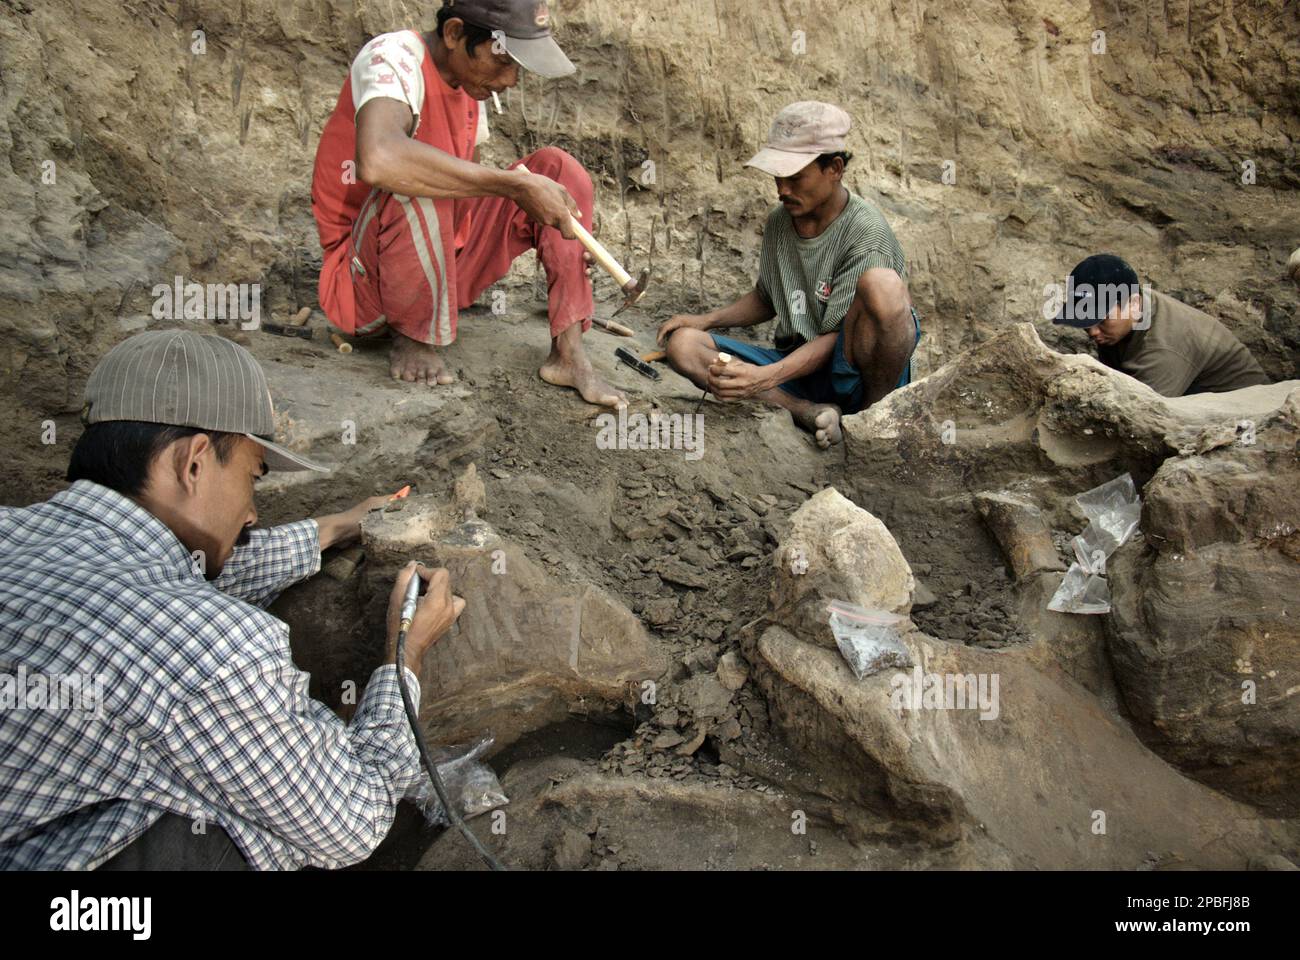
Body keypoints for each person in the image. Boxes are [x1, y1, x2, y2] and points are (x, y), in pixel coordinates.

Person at [0, 329, 463, 870]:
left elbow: (163, 574)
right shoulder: (211, 647)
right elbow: (353, 823)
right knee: (249, 826)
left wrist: (334, 529)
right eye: (252, 477)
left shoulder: (17, 531)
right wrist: (404, 653)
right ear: (193, 462)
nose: (252, 514)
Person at [311, 0, 624, 407]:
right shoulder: (392, 58)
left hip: (443, 269)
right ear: (455, 33)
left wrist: (553, 236)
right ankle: (414, 337)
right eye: (503, 62)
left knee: (557, 170)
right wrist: (511, 186)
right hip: (362, 283)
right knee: (421, 181)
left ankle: (569, 354)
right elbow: (379, 159)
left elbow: (469, 194)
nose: (511, 79)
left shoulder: (470, 87)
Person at [658, 101, 921, 448]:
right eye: (778, 177)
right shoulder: (781, 221)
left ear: (835, 168)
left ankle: (872, 420)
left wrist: (762, 377)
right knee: (685, 346)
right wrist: (706, 320)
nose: (782, 189)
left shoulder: (865, 233)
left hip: (854, 374)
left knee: (883, 285)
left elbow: (837, 339)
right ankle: (806, 411)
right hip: (799, 370)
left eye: (795, 177)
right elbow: (768, 296)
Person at [1053, 253, 1270, 396]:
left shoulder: (1163, 348)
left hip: (1251, 421)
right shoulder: (1130, 313)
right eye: (1085, 320)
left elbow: (1140, 419)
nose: (1092, 332)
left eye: (1101, 320)